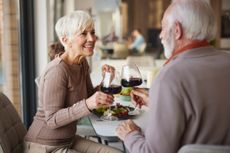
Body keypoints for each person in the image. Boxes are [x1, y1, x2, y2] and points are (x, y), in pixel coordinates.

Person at [116, 0, 230, 153]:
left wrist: (130, 135)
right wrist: (159, 102)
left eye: (163, 28)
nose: (161, 35)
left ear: (177, 30)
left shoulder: (168, 77)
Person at [24, 10, 122, 153]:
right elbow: (52, 120)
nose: (92, 38)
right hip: (44, 145)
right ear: (65, 40)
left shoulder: (82, 63)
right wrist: (88, 104)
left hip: (68, 139)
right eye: (83, 33)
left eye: (92, 32)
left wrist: (106, 80)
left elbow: (89, 97)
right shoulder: (57, 71)